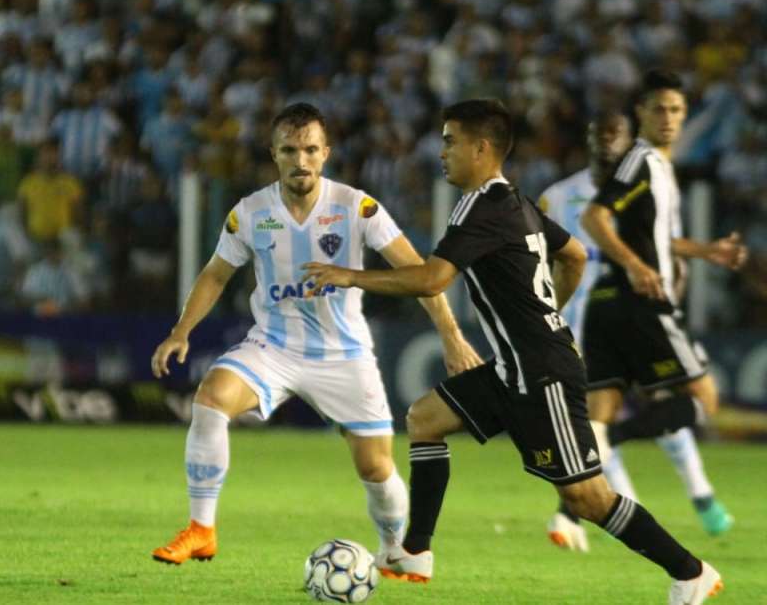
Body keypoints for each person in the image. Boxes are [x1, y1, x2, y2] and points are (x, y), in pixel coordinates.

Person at [302, 99, 723, 604]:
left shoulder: (487, 208)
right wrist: (552, 311)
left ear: (482, 149)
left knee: (587, 498)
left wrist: (350, 276)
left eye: (450, 140)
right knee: (425, 418)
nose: (441, 151)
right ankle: (414, 550)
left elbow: (433, 278)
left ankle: (690, 572)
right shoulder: (512, 202)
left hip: (544, 374)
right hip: (512, 369)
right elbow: (573, 254)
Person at [149, 102, 481, 569]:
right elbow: (215, 275)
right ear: (274, 154)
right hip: (274, 346)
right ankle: (202, 529)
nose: (300, 160)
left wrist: (451, 336)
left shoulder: (356, 208)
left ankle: (394, 550)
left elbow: (418, 273)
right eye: (289, 150)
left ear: (326, 153)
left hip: (343, 355)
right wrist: (180, 331)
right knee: (211, 397)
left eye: (309, 149)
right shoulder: (250, 213)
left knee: (374, 466)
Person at [541, 111, 732, 552]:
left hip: (637, 312)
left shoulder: (647, 183)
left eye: (615, 132)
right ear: (588, 140)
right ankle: (628, 507)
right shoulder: (559, 196)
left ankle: (700, 496)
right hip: (579, 324)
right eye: (599, 131)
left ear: (630, 138)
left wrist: (687, 269)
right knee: (599, 418)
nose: (607, 139)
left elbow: (666, 245)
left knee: (661, 402)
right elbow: (542, 259)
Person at [578, 70, 746, 518]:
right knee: (703, 400)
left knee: (600, 413)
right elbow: (595, 218)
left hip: (606, 305)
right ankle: (610, 445)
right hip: (640, 303)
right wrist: (635, 266)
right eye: (658, 109)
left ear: (685, 113)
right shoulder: (642, 159)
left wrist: (705, 251)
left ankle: (572, 511)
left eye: (675, 110)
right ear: (641, 114)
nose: (667, 118)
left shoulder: (660, 168)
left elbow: (652, 238)